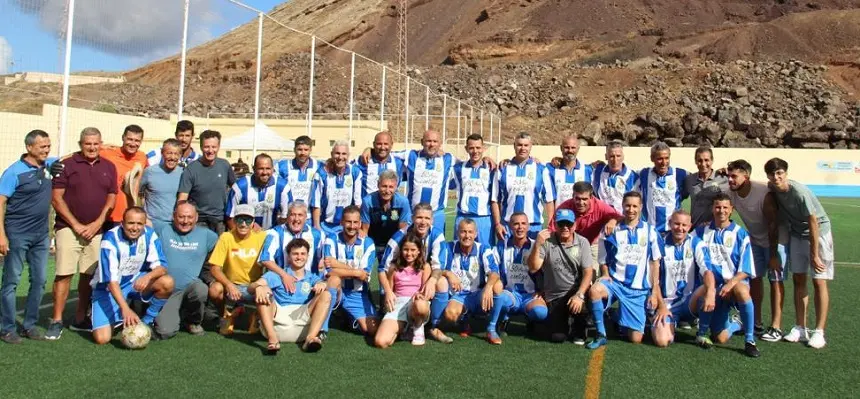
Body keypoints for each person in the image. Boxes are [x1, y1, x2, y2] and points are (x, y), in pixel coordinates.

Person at [46, 127, 118, 340]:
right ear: (80, 144)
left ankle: (80, 317)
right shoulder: (67, 165)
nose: (92, 147)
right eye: (88, 143)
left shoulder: (109, 166)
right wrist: (76, 225)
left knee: (89, 276)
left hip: (96, 231)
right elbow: (57, 198)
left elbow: (111, 197)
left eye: (96, 143)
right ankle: (56, 320)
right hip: (69, 229)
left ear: (101, 143)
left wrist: (98, 223)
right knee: (64, 274)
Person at [765, 157, 833, 349]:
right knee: (798, 279)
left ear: (786, 173)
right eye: (772, 174)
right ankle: (800, 327)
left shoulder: (798, 192)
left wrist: (815, 254)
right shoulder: (773, 189)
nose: (776, 177)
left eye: (780, 173)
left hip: (818, 234)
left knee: (819, 280)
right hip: (797, 234)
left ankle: (819, 331)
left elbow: (813, 222)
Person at [0, 130, 57, 343]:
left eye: (48, 146)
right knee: (11, 281)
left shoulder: (48, 166)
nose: (46, 149)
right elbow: (0, 203)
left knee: (40, 280)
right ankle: (6, 327)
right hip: (17, 234)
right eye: (42, 146)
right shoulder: (13, 173)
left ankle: (29, 325)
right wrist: (1, 235)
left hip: (41, 235)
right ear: (29, 148)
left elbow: (68, 158)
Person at [90, 207, 174, 345]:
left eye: (139, 224)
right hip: (107, 289)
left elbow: (162, 267)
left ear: (144, 224)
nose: (135, 228)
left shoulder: (150, 234)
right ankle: (101, 311)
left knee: (167, 282)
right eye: (131, 223)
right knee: (102, 339)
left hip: (133, 282)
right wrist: (125, 309)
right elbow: (111, 282)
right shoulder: (109, 240)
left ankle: (146, 323)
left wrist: (147, 277)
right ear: (122, 223)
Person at [588, 192, 662, 349]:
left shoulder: (650, 231)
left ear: (641, 207)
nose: (631, 209)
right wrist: (606, 274)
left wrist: (654, 291)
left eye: (635, 206)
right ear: (622, 206)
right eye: (628, 205)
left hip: (637, 290)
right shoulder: (611, 230)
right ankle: (601, 334)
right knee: (595, 290)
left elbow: (655, 262)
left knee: (636, 339)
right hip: (615, 283)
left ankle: (615, 317)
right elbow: (603, 258)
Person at [726, 159, 788, 342]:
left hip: (775, 240)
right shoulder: (732, 191)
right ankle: (756, 322)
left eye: (734, 176)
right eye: (729, 176)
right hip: (754, 240)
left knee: (775, 280)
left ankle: (776, 326)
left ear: (747, 176)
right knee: (754, 278)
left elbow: (773, 225)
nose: (730, 180)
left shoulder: (764, 194)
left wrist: (774, 254)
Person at [692, 193, 759, 357]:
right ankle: (734, 324)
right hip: (712, 286)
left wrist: (730, 284)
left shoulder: (741, 234)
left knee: (743, 291)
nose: (720, 211)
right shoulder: (702, 231)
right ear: (712, 209)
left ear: (731, 210)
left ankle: (750, 341)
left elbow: (746, 269)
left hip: (733, 286)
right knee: (720, 338)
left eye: (724, 207)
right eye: (717, 207)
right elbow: (685, 240)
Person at [259, 201, 331, 338]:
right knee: (263, 291)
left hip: (309, 287)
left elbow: (325, 260)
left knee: (332, 287)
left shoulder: (317, 235)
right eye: (292, 215)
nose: (296, 219)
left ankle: (321, 329)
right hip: (282, 288)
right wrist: (284, 275)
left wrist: (321, 279)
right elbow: (265, 259)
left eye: (300, 215)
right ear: (287, 216)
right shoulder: (275, 233)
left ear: (306, 217)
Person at [428, 219, 504, 344]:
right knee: (450, 314)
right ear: (458, 233)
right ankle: (464, 320)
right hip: (459, 296)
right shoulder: (448, 247)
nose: (467, 236)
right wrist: (449, 273)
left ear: (476, 234)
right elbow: (437, 268)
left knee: (498, 285)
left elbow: (494, 272)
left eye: (470, 232)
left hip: (479, 294)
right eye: (463, 232)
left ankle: (491, 328)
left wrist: (488, 287)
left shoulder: (484, 249)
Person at [380, 203, 448, 340]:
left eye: (427, 218)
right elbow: (383, 268)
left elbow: (438, 266)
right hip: (399, 285)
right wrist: (387, 292)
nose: (423, 222)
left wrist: (431, 281)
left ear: (432, 220)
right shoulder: (399, 237)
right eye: (419, 217)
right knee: (382, 339)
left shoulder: (437, 235)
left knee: (441, 282)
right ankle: (400, 321)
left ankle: (432, 327)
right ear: (412, 218)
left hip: (423, 280)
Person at [251, 238, 332, 353]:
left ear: (308, 256)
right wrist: (258, 287)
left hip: (303, 322)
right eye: (295, 254)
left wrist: (322, 284)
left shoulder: (312, 277)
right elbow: (251, 287)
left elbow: (326, 290)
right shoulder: (276, 275)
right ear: (288, 257)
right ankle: (273, 340)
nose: (299, 257)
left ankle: (310, 339)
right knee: (264, 290)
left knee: (326, 294)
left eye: (303, 254)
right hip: (278, 320)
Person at [153, 202, 218, 339]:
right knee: (165, 332)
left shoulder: (208, 235)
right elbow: (141, 221)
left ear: (196, 217)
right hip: (167, 291)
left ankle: (192, 321)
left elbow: (227, 244)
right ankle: (176, 313)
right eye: (181, 217)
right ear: (174, 216)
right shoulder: (163, 229)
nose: (185, 221)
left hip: (190, 288)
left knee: (201, 289)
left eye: (189, 217)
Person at [650, 210, 716, 348]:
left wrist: (710, 292)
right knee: (662, 341)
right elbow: (653, 279)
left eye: (684, 225)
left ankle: (702, 333)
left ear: (690, 226)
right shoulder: (660, 243)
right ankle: (667, 324)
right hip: (668, 304)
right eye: (676, 224)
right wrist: (661, 306)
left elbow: (707, 271)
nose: (680, 228)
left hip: (690, 301)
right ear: (669, 223)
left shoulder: (696, 243)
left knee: (708, 287)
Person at [528, 209, 594, 344]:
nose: (565, 227)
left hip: (574, 292)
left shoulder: (583, 242)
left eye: (568, 224)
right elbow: (534, 267)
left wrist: (580, 295)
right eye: (561, 224)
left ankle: (580, 326)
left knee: (584, 301)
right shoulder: (547, 242)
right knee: (558, 337)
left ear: (574, 225)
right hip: (554, 296)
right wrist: (537, 244)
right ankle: (561, 322)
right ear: (555, 225)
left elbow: (588, 272)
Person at [207, 204, 267, 335]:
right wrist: (228, 285)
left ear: (253, 223)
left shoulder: (262, 237)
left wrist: (260, 284)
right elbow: (214, 268)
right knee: (215, 289)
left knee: (269, 289)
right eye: (240, 219)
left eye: (248, 220)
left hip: (253, 286)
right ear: (234, 221)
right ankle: (226, 315)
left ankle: (256, 316)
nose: (244, 224)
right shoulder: (226, 237)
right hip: (232, 285)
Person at [323, 206, 378, 337]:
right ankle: (322, 329)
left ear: (360, 224)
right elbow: (329, 271)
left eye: (355, 222)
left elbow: (365, 276)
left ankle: (346, 316)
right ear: (341, 222)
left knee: (371, 329)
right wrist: (356, 272)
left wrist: (338, 265)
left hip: (356, 294)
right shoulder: (331, 239)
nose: (352, 226)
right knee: (333, 279)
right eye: (348, 222)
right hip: (336, 290)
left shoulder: (368, 243)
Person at [492, 132, 555, 241]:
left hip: (533, 225)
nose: (522, 148)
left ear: (531, 146)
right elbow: (494, 200)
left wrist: (551, 225)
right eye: (519, 145)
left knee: (533, 257)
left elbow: (549, 200)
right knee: (508, 257)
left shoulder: (541, 169)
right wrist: (497, 224)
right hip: (508, 226)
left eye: (526, 145)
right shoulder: (502, 169)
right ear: (514, 146)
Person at [374, 233, 432, 348]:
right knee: (380, 342)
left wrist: (419, 294)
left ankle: (417, 326)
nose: (409, 253)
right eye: (406, 249)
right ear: (401, 250)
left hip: (415, 304)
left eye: (413, 250)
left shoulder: (425, 267)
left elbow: (425, 291)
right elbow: (391, 291)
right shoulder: (394, 268)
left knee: (421, 305)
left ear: (419, 251)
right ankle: (404, 329)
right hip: (398, 304)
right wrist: (388, 296)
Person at [494, 212, 547, 337]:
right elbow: (494, 270)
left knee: (540, 313)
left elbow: (546, 271)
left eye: (523, 224)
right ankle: (504, 318)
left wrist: (542, 290)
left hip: (530, 294)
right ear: (510, 226)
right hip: (510, 293)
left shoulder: (537, 245)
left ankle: (530, 319)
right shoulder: (502, 245)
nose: (520, 227)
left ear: (528, 226)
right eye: (516, 224)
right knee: (500, 299)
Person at [177, 130, 236, 235]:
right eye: (206, 147)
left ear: (218, 147)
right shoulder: (191, 169)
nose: (210, 150)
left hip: (220, 221)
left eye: (214, 147)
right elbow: (182, 198)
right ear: (201, 147)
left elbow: (237, 189)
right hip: (199, 221)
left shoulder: (224, 165)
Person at [397, 130, 456, 231]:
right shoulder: (411, 155)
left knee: (436, 244)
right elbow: (387, 153)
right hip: (413, 213)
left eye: (435, 141)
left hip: (436, 214)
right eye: (428, 141)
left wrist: (486, 159)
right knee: (410, 244)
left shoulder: (448, 159)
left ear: (440, 143)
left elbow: (471, 163)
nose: (431, 144)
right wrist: (369, 150)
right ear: (422, 142)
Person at [553, 182, 622, 261]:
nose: (581, 203)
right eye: (577, 199)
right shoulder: (564, 207)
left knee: (592, 271)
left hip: (592, 244)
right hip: (571, 244)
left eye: (584, 199)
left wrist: (613, 220)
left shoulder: (600, 206)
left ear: (591, 197)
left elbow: (620, 217)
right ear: (573, 196)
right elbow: (552, 229)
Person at [99, 124, 149, 230]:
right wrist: (59, 163)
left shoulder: (142, 157)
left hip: (129, 216)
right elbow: (83, 153)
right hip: (107, 214)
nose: (133, 143)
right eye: (130, 139)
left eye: (137, 140)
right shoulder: (107, 153)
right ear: (123, 138)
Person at [225, 153, 291, 231]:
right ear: (253, 169)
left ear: (273, 169)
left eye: (268, 168)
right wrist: (240, 236)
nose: (264, 172)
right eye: (261, 168)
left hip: (271, 235)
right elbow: (229, 216)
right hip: (246, 236)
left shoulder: (282, 186)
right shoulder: (240, 186)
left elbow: (286, 217)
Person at [450, 134, 495, 247]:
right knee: (460, 251)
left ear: (483, 148)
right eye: (471, 148)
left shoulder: (492, 169)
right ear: (466, 149)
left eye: (478, 147)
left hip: (484, 219)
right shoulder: (458, 168)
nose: (475, 151)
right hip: (463, 216)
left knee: (486, 252)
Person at [310, 141, 363, 235]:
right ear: (331, 154)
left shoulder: (355, 172)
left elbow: (357, 202)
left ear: (348, 155)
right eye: (337, 153)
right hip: (325, 226)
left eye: (344, 154)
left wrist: (357, 226)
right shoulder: (321, 174)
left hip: (347, 227)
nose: (340, 157)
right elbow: (316, 203)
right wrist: (317, 226)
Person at [360, 169, 412, 263]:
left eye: (391, 187)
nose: (387, 191)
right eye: (384, 186)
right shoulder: (367, 202)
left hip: (393, 242)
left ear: (396, 187)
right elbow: (364, 231)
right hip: (372, 241)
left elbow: (402, 231)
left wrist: (396, 248)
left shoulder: (403, 202)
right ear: (378, 185)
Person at [639, 141, 688, 233]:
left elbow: (699, 177)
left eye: (666, 158)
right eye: (660, 159)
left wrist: (721, 172)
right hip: (650, 231)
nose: (664, 162)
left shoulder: (680, 174)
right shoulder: (644, 174)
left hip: (672, 231)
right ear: (652, 158)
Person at [140, 139, 184, 232]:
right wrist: (144, 216)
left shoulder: (184, 173)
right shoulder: (149, 172)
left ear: (180, 155)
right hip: (152, 224)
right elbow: (138, 194)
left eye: (176, 154)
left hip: (175, 225)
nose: (172, 157)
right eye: (169, 153)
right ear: (162, 153)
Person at [276, 135, 322, 216]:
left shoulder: (318, 166)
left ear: (310, 150)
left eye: (306, 150)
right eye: (299, 149)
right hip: (289, 215)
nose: (303, 153)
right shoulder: (282, 166)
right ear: (294, 150)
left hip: (309, 216)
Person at [684, 146, 728, 226]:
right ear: (695, 162)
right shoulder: (689, 180)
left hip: (715, 228)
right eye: (700, 160)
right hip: (695, 228)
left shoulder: (723, 178)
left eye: (706, 160)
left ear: (712, 161)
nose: (703, 164)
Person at [353, 131, 403, 199]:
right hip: (368, 207)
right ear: (373, 144)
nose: (382, 147)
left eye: (386, 144)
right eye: (379, 144)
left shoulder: (398, 163)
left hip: (390, 207)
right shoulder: (363, 160)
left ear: (391, 144)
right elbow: (344, 166)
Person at [593, 140, 639, 214]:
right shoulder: (597, 171)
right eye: (611, 156)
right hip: (601, 219)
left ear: (623, 156)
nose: (615, 160)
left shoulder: (633, 177)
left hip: (622, 221)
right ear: (606, 156)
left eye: (618, 156)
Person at [548, 135, 593, 205]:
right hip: (559, 215)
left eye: (573, 148)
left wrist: (600, 162)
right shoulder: (551, 169)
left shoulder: (588, 170)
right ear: (561, 148)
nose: (570, 150)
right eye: (566, 147)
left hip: (581, 215)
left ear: (578, 149)